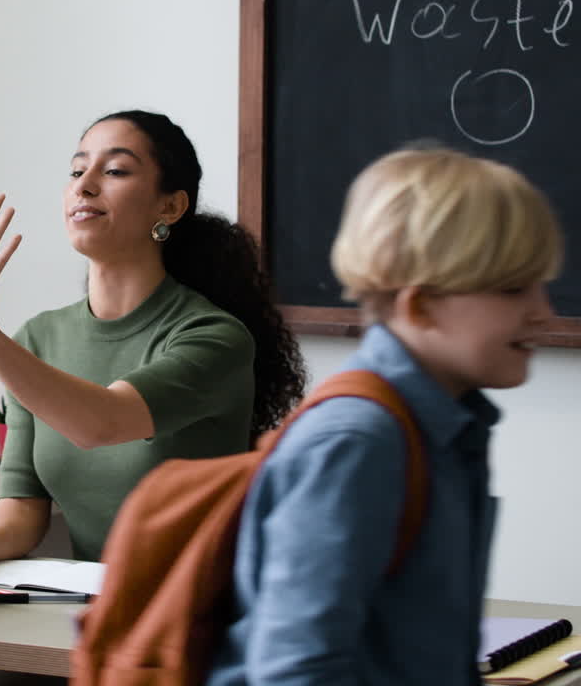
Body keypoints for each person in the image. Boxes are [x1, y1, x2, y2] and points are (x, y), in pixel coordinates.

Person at [205, 147, 562, 685]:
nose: (544, 312)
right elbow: (295, 673)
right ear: (419, 306)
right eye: (514, 288)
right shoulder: (357, 442)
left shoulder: (449, 426)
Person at [0, 110, 306, 566]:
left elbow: (101, 423)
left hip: (197, 616)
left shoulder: (215, 338)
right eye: (76, 170)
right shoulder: (39, 338)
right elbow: (21, 515)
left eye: (114, 170)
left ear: (169, 207)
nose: (84, 185)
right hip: (94, 610)